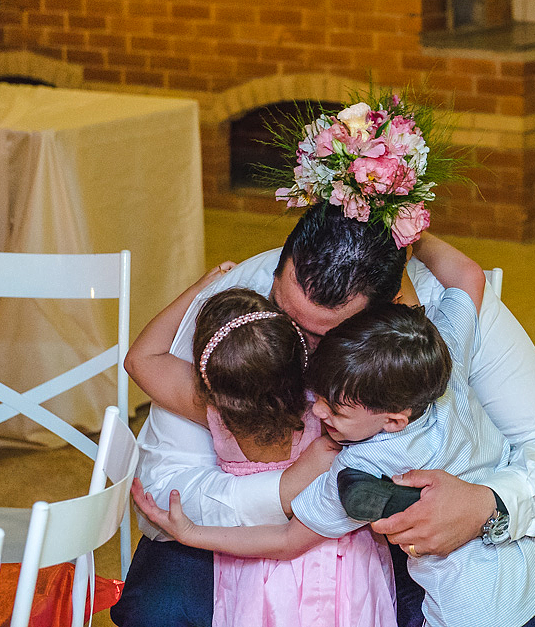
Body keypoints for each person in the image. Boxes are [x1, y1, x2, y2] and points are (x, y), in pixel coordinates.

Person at [112, 204, 535, 627]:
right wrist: (284, 490)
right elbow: (164, 482)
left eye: (325, 337)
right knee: (159, 613)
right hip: (243, 522)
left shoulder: (430, 332)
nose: (297, 345)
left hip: (391, 546)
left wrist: (487, 505)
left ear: (387, 315)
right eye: (286, 313)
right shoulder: (238, 314)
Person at [123, 265, 396, 627]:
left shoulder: (216, 414)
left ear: (211, 385)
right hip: (338, 572)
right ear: (303, 361)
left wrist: (198, 290)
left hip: (250, 569)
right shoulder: (329, 420)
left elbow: (139, 359)